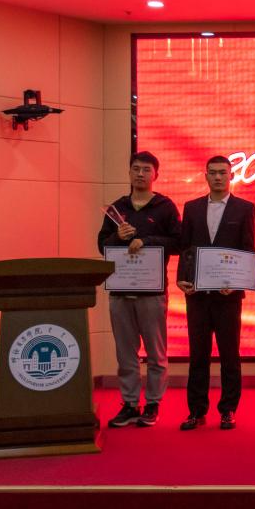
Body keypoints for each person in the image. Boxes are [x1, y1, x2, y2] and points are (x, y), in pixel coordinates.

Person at [96, 151, 181, 428]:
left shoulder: (165, 207)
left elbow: (179, 243)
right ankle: (130, 404)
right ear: (129, 172)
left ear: (156, 174)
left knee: (156, 353)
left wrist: (147, 240)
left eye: (146, 169)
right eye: (136, 169)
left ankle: (153, 403)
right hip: (120, 291)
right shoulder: (117, 208)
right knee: (125, 353)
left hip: (152, 292)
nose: (140, 174)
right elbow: (102, 246)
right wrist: (116, 237)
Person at [176, 155, 255, 431]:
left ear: (231, 175)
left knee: (229, 355)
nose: (218, 177)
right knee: (198, 354)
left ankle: (228, 410)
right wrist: (182, 279)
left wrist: (238, 282)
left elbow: (247, 250)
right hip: (197, 295)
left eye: (223, 172)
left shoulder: (244, 208)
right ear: (206, 176)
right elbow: (186, 248)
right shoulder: (192, 207)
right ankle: (196, 411)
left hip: (228, 296)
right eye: (213, 173)